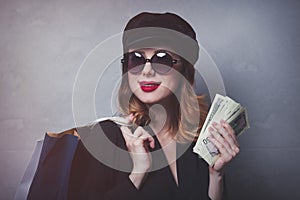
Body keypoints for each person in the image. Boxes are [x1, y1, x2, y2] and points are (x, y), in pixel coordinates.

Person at [19, 12, 239, 200]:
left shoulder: (197, 144)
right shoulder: (105, 138)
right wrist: (138, 173)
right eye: (136, 58)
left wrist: (216, 176)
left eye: (162, 59)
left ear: (185, 72)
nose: (146, 70)